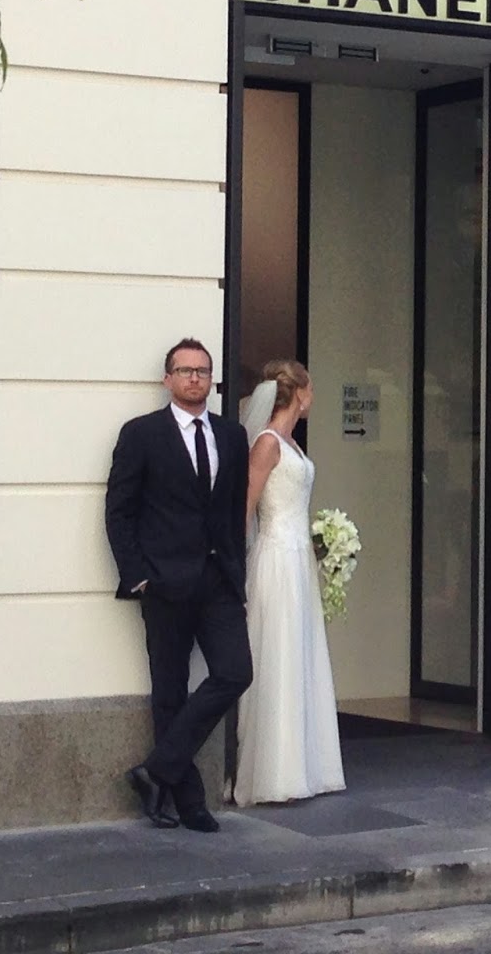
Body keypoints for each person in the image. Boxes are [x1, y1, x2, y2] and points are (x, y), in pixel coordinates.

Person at [105, 338, 252, 834]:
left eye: (202, 371)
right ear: (167, 378)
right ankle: (188, 802)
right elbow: (119, 512)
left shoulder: (231, 435)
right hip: (164, 583)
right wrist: (139, 575)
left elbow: (232, 510)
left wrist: (236, 570)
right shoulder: (142, 434)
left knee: (234, 672)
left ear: (212, 380)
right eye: (185, 370)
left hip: (218, 581)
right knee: (169, 691)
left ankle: (155, 771)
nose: (194, 378)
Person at [231, 359, 346, 805]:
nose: (313, 397)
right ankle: (275, 772)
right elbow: (246, 506)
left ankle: (306, 764)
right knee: (277, 652)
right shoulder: (267, 443)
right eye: (311, 389)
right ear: (299, 393)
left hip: (298, 557)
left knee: (299, 652)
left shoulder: (292, 444)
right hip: (277, 557)